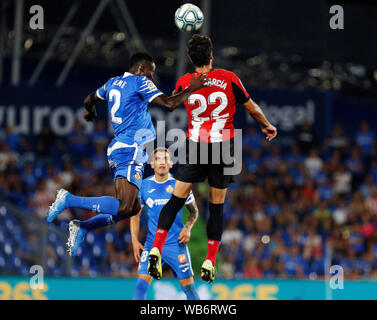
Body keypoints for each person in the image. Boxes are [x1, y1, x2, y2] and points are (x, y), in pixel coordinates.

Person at [46, 52, 207, 255]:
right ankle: (69, 200)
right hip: (130, 149)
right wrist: (192, 89)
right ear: (142, 69)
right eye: (151, 73)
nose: (151, 78)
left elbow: (89, 99)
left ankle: (83, 227)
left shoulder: (112, 83)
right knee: (125, 207)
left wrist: (91, 110)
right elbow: (169, 104)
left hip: (123, 149)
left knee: (133, 208)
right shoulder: (140, 82)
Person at [147, 35, 277, 283]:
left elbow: (173, 102)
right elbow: (252, 108)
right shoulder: (229, 78)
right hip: (223, 146)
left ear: (190, 58)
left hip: (195, 145)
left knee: (175, 201)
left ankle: (156, 248)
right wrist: (267, 125)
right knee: (216, 207)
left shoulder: (185, 81)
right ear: (211, 56)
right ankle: (210, 260)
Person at [131, 147, 200, 300]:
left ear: (171, 163)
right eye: (158, 159)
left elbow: (194, 212)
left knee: (190, 290)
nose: (162, 162)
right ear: (152, 164)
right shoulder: (143, 186)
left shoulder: (181, 185)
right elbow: (135, 216)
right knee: (141, 286)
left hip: (176, 244)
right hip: (152, 245)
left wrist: (188, 228)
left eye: (165, 159)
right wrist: (135, 241)